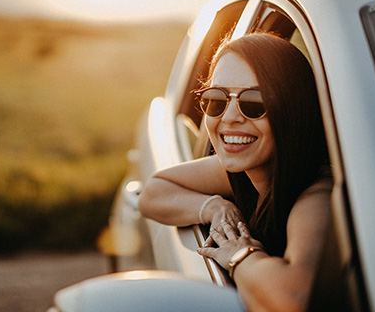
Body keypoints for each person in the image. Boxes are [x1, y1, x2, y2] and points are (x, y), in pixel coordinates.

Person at [138, 33, 332, 312]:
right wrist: (213, 207)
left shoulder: (317, 197)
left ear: (294, 110)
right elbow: (152, 193)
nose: (229, 116)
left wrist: (239, 255)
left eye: (254, 103)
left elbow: (292, 300)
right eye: (216, 99)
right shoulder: (245, 168)